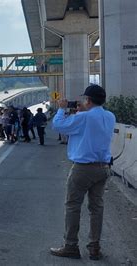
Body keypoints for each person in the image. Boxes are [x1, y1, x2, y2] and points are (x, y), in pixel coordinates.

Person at [50, 85, 115, 261]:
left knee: (73, 206)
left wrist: (62, 108)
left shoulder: (83, 117)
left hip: (83, 169)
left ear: (88, 100)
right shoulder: (110, 116)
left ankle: (70, 246)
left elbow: (58, 126)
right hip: (104, 167)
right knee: (96, 208)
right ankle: (94, 248)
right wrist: (80, 113)